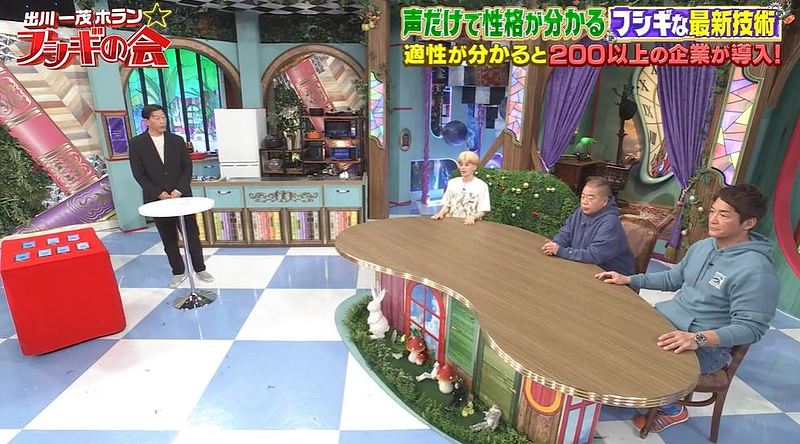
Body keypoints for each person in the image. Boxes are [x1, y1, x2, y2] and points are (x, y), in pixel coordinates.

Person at [595, 184, 780, 433]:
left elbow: (752, 328)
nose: (713, 219)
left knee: (642, 354)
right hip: (668, 321)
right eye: (713, 211)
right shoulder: (703, 247)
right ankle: (628, 389)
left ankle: (673, 409)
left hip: (707, 346)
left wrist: (697, 338)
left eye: (724, 215)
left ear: (748, 223)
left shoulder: (756, 271)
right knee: (611, 328)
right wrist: (629, 279)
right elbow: (673, 279)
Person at [129, 104, 214, 288]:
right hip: (157, 199)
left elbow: (187, 167)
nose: (162, 121)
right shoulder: (137, 144)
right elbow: (138, 173)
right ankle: (178, 271)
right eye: (157, 118)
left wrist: (178, 190)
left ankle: (200, 268)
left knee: (192, 235)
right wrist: (159, 193)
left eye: (163, 117)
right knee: (168, 238)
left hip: (181, 196)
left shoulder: (176, 140)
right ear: (146, 121)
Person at [542, 178, 635, 275]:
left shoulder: (610, 222)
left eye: (590, 198)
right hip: (583, 266)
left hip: (610, 274)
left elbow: (595, 255)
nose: (584, 202)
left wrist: (561, 251)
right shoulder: (580, 212)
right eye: (582, 197)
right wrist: (555, 244)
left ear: (605, 201)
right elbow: (566, 233)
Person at [431, 151, 490, 225]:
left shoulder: (482, 185)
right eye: (461, 165)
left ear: (474, 167)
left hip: (471, 224)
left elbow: (483, 210)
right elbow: (447, 205)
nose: (463, 168)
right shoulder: (452, 183)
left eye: (467, 165)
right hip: (451, 222)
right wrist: (441, 213)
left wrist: (473, 217)